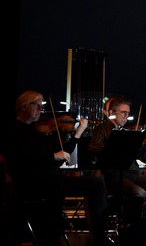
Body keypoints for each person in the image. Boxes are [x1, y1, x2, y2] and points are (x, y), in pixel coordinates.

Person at [1, 90, 109, 246]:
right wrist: (52, 157)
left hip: (49, 182)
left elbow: (61, 156)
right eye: (36, 104)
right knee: (94, 184)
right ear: (23, 107)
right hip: (33, 184)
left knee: (94, 182)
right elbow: (20, 160)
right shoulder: (14, 130)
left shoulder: (34, 131)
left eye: (41, 104)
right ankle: (98, 237)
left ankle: (93, 234)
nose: (40, 109)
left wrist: (78, 133)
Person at [88, 96, 146, 225]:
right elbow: (94, 148)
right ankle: (134, 224)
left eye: (128, 113)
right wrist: (116, 145)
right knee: (139, 193)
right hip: (113, 175)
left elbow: (144, 158)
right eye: (123, 112)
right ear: (111, 113)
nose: (126, 116)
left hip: (133, 174)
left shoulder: (128, 133)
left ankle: (141, 221)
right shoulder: (101, 130)